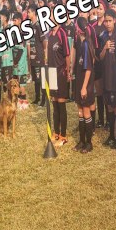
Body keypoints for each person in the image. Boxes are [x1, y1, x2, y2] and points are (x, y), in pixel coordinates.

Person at [99, 9, 116, 149]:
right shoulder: (103, 36)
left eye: (110, 21)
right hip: (106, 78)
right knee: (109, 107)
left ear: (115, 21)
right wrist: (105, 48)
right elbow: (100, 57)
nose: (107, 23)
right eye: (106, 21)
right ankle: (111, 136)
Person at [47, 15, 71, 147]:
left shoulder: (62, 33)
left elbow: (67, 55)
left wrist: (68, 71)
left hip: (60, 72)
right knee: (54, 104)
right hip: (51, 73)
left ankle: (63, 135)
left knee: (61, 104)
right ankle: (56, 132)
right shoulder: (50, 34)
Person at [74, 16, 96, 153]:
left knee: (86, 112)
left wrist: (83, 87)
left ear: (78, 29)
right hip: (79, 81)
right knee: (80, 112)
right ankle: (81, 141)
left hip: (85, 84)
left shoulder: (87, 45)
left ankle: (89, 143)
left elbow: (88, 68)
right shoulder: (80, 43)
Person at [27, 4, 47, 106]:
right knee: (35, 80)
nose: (27, 14)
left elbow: (44, 41)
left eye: (29, 12)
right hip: (33, 56)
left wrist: (44, 53)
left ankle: (44, 100)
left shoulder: (39, 25)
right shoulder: (31, 26)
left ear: (34, 13)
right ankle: (37, 98)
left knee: (41, 79)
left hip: (39, 56)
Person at [12, 12, 30, 110]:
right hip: (16, 61)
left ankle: (24, 102)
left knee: (22, 83)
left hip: (21, 62)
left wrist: (16, 61)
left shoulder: (22, 32)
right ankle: (19, 100)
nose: (13, 22)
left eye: (15, 20)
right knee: (16, 82)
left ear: (19, 20)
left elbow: (20, 49)